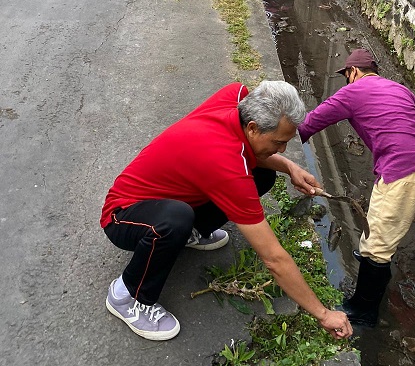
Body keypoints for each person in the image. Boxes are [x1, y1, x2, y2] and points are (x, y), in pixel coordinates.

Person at [101, 80, 352, 342]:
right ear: (252, 128)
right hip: (124, 215)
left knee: (261, 175)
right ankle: (128, 295)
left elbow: (247, 101)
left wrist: (291, 168)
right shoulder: (225, 163)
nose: (282, 149)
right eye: (279, 142)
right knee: (175, 221)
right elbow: (273, 258)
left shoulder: (237, 98)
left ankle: (189, 233)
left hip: (170, 197)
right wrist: (323, 314)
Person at [298, 49, 415, 328]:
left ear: (353, 72)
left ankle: (363, 309)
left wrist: (282, 147)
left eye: (346, 76)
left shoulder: (353, 92)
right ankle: (370, 258)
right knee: (383, 222)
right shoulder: (399, 88)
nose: (346, 81)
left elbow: (312, 122)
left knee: (378, 245)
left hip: (403, 170)